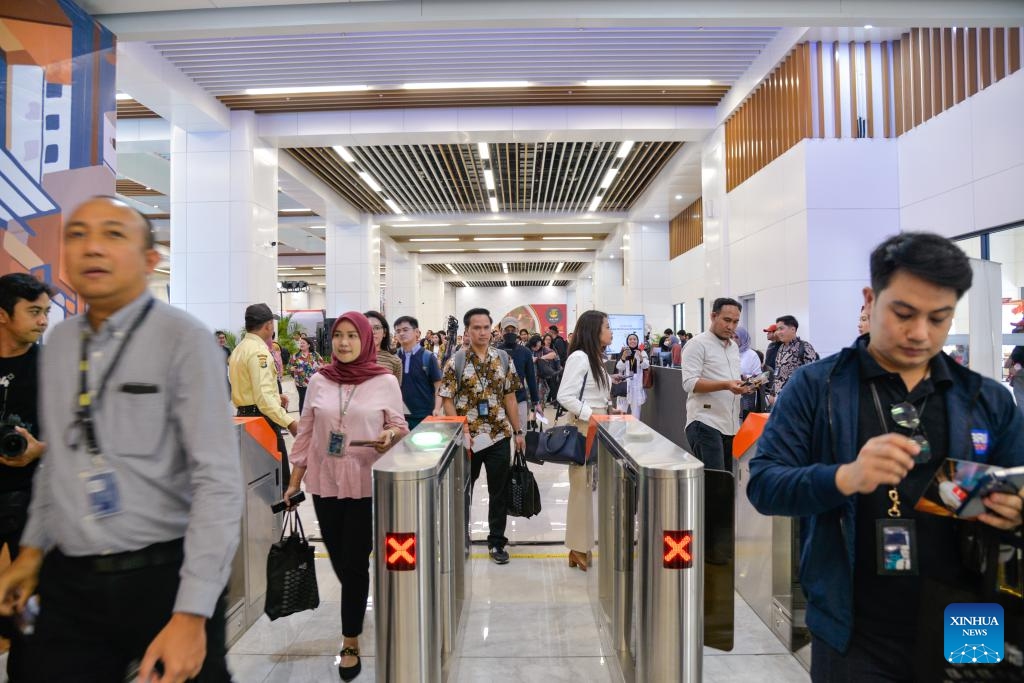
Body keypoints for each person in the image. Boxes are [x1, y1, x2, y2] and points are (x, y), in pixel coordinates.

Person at [747, 232, 1024, 682]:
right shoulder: (819, 388)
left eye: (939, 318)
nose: (920, 333)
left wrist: (1015, 509)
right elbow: (765, 486)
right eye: (904, 313)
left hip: (971, 619)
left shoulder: (984, 399)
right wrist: (844, 477)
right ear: (871, 299)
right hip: (855, 632)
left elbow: (1018, 479)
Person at [0, 196, 241, 681]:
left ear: (150, 260)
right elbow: (60, 465)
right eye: (78, 234)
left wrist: (193, 613)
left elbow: (217, 481)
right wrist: (30, 552)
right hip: (71, 581)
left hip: (163, 578)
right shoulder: (62, 343)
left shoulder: (184, 339)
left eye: (113, 234)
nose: (91, 248)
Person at [284, 312, 407, 681]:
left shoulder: (384, 380)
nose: (344, 342)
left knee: (353, 562)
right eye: (339, 336)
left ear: (367, 340)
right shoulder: (320, 379)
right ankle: (358, 592)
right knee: (339, 558)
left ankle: (349, 639)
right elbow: (305, 434)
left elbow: (398, 426)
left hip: (364, 481)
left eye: (353, 336)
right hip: (325, 482)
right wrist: (294, 483)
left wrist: (390, 436)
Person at [439, 308, 525, 565]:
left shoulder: (503, 359)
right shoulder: (456, 361)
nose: (482, 332)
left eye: (486, 327)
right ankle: (460, 538)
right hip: (469, 439)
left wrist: (518, 431)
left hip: (499, 435)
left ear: (492, 329)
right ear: (467, 331)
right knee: (463, 490)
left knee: (499, 492)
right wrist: (461, 427)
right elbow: (447, 400)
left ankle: (497, 541)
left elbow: (510, 397)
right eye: (476, 328)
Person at [0, 273, 52, 681]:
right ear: (3, 315)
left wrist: (40, 448)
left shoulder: (52, 368)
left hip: (32, 503)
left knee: (29, 610)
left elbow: (73, 435)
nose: (43, 321)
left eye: (46, 312)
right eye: (33, 312)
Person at [558, 310, 619, 572]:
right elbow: (565, 396)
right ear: (595, 330)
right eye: (607, 326)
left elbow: (594, 395)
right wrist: (592, 414)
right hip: (585, 428)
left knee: (589, 487)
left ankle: (583, 546)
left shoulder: (594, 357)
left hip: (598, 426)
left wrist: (607, 410)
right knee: (581, 489)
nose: (611, 331)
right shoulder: (580, 357)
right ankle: (578, 547)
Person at [229, 303, 298, 492]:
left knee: (254, 482)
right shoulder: (259, 352)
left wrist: (277, 396)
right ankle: (274, 521)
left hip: (244, 419)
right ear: (268, 326)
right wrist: (290, 423)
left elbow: (252, 389)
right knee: (278, 485)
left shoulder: (239, 349)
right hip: (262, 423)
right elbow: (263, 399)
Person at [680, 298, 751, 473]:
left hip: (731, 424)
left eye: (735, 322)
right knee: (716, 485)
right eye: (727, 320)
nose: (731, 326)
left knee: (726, 482)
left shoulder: (733, 347)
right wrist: (727, 385)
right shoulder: (696, 344)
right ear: (713, 316)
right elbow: (689, 383)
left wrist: (743, 384)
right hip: (705, 422)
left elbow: (729, 379)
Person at [394, 315, 443, 430]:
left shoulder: (428, 357)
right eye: (398, 331)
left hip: (424, 417)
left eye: (405, 330)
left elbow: (439, 387)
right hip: (399, 418)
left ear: (417, 332)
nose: (401, 333)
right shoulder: (394, 357)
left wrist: (436, 409)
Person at [499, 317, 540, 435]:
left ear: (517, 331)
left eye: (513, 330)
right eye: (507, 330)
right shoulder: (495, 351)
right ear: (502, 331)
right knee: (502, 438)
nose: (510, 333)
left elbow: (531, 378)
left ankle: (520, 453)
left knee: (521, 436)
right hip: (499, 401)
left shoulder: (525, 352)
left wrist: (536, 401)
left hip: (520, 399)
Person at [766, 315, 818, 405]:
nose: (778, 332)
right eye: (777, 329)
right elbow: (778, 374)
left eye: (781, 328)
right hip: (779, 398)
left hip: (797, 399)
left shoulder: (805, 347)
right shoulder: (781, 348)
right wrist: (772, 393)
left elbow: (812, 375)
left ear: (793, 329)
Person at [614, 333, 649, 418]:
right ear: (627, 341)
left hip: (636, 387)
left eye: (634, 339)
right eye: (630, 339)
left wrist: (640, 357)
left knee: (636, 415)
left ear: (637, 341)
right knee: (620, 413)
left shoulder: (642, 352)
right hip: (624, 386)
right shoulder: (624, 351)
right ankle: (620, 431)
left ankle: (634, 430)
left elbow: (646, 366)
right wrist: (623, 357)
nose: (632, 341)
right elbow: (619, 367)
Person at [286, 336, 324, 415]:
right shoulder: (295, 355)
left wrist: (319, 369)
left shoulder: (315, 355)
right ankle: (303, 418)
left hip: (313, 382)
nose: (301, 344)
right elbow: (288, 368)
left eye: (303, 343)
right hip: (300, 383)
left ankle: (314, 417)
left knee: (313, 400)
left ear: (308, 345)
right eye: (300, 343)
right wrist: (291, 368)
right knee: (303, 400)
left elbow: (322, 366)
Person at [363, 311, 401, 384]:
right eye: (367, 327)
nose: (372, 332)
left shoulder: (395, 361)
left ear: (384, 332)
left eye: (377, 328)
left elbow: (395, 392)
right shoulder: (351, 358)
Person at [735, 326, 764, 418]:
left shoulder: (752, 355)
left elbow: (761, 379)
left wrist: (746, 378)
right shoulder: (728, 353)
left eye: (736, 337)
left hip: (746, 398)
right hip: (730, 397)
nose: (733, 339)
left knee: (745, 425)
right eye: (731, 337)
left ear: (743, 338)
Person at [530, 334, 561, 407]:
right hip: (530, 377)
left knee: (541, 396)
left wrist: (540, 358)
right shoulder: (527, 349)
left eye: (539, 345)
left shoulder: (544, 349)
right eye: (536, 346)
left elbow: (554, 354)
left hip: (541, 376)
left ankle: (540, 410)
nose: (537, 348)